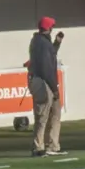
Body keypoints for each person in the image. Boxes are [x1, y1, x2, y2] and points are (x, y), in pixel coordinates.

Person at [28, 16, 66, 156]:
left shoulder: (38, 42)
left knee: (53, 114)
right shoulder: (43, 44)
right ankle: (39, 147)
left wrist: (56, 43)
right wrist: (55, 89)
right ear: (48, 28)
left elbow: (50, 56)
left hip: (42, 81)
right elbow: (46, 68)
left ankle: (52, 144)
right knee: (43, 116)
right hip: (45, 83)